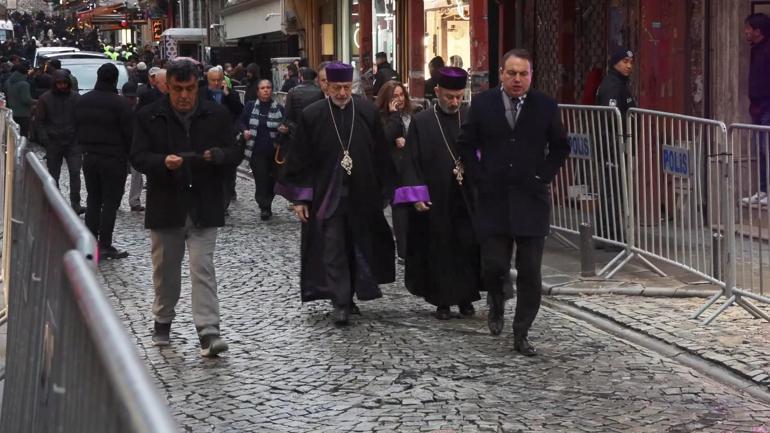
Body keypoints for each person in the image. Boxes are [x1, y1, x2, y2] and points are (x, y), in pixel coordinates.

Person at [457, 49, 570, 356]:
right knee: (494, 264)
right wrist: (479, 177)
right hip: (494, 199)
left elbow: (560, 147)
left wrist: (542, 176)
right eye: (512, 73)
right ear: (501, 74)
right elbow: (466, 145)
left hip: (531, 199)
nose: (517, 80)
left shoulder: (545, 106)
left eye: (523, 74)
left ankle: (521, 332)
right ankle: (496, 298)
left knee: (530, 270)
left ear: (531, 77)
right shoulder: (482, 105)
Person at [131, 59, 243, 357]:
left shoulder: (216, 115)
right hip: (166, 204)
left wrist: (219, 155)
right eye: (178, 89)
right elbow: (138, 157)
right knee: (165, 270)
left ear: (198, 87)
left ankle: (208, 330)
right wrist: (161, 163)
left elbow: (235, 151)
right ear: (167, 87)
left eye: (190, 89)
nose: (184, 95)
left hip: (204, 204)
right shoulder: (149, 116)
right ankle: (163, 319)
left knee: (202, 267)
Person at [276, 62, 396, 326]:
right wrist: (300, 197)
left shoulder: (366, 111)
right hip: (327, 196)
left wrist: (386, 189)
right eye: (336, 87)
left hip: (361, 194)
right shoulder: (313, 114)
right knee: (332, 247)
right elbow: (300, 159)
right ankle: (339, 302)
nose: (342, 93)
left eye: (346, 87)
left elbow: (380, 154)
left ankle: (350, 294)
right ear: (326, 86)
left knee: (357, 246)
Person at [393, 67, 481, 320]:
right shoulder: (423, 121)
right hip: (436, 194)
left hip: (466, 195)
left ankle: (466, 298)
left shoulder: (470, 116)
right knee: (440, 248)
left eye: (458, 97)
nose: (454, 102)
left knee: (467, 246)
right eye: (449, 97)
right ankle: (442, 300)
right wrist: (417, 195)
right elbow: (412, 161)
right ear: (437, 91)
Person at [75, 63, 135, 260]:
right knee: (110, 202)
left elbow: (76, 126)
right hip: (113, 158)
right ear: (115, 80)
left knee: (93, 199)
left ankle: (91, 242)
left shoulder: (83, 101)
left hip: (90, 156)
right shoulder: (121, 104)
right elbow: (129, 135)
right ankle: (105, 245)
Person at [594, 47, 636, 249]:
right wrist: (615, 145)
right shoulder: (612, 85)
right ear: (614, 63)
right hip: (611, 146)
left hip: (617, 145)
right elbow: (610, 117)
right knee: (612, 191)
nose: (628, 66)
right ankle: (609, 235)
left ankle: (606, 234)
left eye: (630, 62)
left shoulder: (620, 84)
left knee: (614, 190)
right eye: (624, 62)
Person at [238, 79, 287, 221]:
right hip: (256, 150)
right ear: (258, 91)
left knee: (272, 180)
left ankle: (268, 202)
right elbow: (241, 121)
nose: (266, 90)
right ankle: (264, 206)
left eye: (268, 87)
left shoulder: (278, 108)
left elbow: (286, 124)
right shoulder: (250, 106)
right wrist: (245, 130)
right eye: (263, 88)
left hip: (274, 151)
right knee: (261, 179)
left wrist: (283, 129)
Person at [36, 69, 83, 214]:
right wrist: (45, 139)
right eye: (59, 83)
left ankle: (75, 203)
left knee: (75, 173)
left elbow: (81, 119)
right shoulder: (45, 99)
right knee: (53, 174)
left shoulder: (75, 98)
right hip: (53, 141)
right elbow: (40, 121)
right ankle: (55, 203)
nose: (62, 86)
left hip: (73, 141)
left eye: (64, 83)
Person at [376, 80, 412, 262]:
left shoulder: (412, 115)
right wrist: (394, 115)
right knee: (397, 208)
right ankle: (402, 250)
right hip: (391, 171)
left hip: (409, 169)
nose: (399, 99)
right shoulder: (382, 118)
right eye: (394, 96)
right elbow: (384, 137)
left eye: (401, 95)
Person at [200, 65, 243, 209]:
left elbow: (239, 111)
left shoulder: (231, 93)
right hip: (206, 138)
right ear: (208, 80)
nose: (216, 83)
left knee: (227, 173)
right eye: (213, 80)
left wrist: (228, 95)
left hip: (226, 139)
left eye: (219, 80)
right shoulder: (200, 94)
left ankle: (223, 205)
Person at [742, 13, 770, 205]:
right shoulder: (755, 50)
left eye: (748, 28)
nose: (746, 31)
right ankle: (762, 190)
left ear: (758, 31)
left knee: (765, 146)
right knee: (760, 148)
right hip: (758, 105)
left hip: (767, 104)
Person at [121, 81, 145, 213]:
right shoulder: (120, 109)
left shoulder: (139, 110)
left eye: (133, 98)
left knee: (137, 175)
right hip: (122, 146)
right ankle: (117, 197)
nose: (131, 100)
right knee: (120, 174)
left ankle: (134, 201)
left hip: (135, 146)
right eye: (129, 98)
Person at [6, 62, 35, 136]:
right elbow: (26, 99)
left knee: (12, 135)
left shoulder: (8, 82)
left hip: (11, 112)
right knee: (22, 135)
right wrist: (37, 101)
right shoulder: (24, 84)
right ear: (25, 74)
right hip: (23, 114)